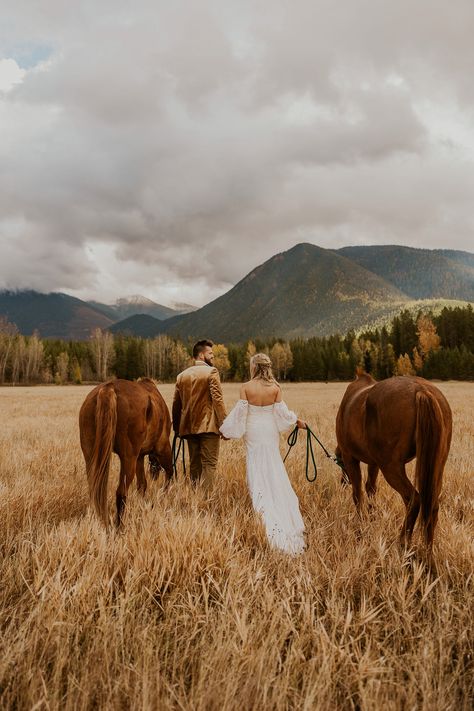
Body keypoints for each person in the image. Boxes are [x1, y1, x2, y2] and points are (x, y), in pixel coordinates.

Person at [219, 352, 307, 554]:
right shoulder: (275, 388)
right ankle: (279, 507)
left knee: (255, 467)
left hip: (253, 431)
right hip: (269, 431)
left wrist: (226, 431)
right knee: (273, 466)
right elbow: (282, 415)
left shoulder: (246, 387)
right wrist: (297, 421)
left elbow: (240, 415)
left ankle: (262, 508)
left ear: (254, 367)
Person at [172, 339, 227, 493]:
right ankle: (206, 500)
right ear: (202, 355)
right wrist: (225, 425)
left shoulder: (181, 376)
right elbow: (218, 401)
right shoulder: (212, 372)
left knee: (195, 464)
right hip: (209, 427)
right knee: (209, 464)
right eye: (211, 353)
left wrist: (177, 428)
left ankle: (195, 496)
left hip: (189, 428)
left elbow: (177, 405)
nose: (213, 357)